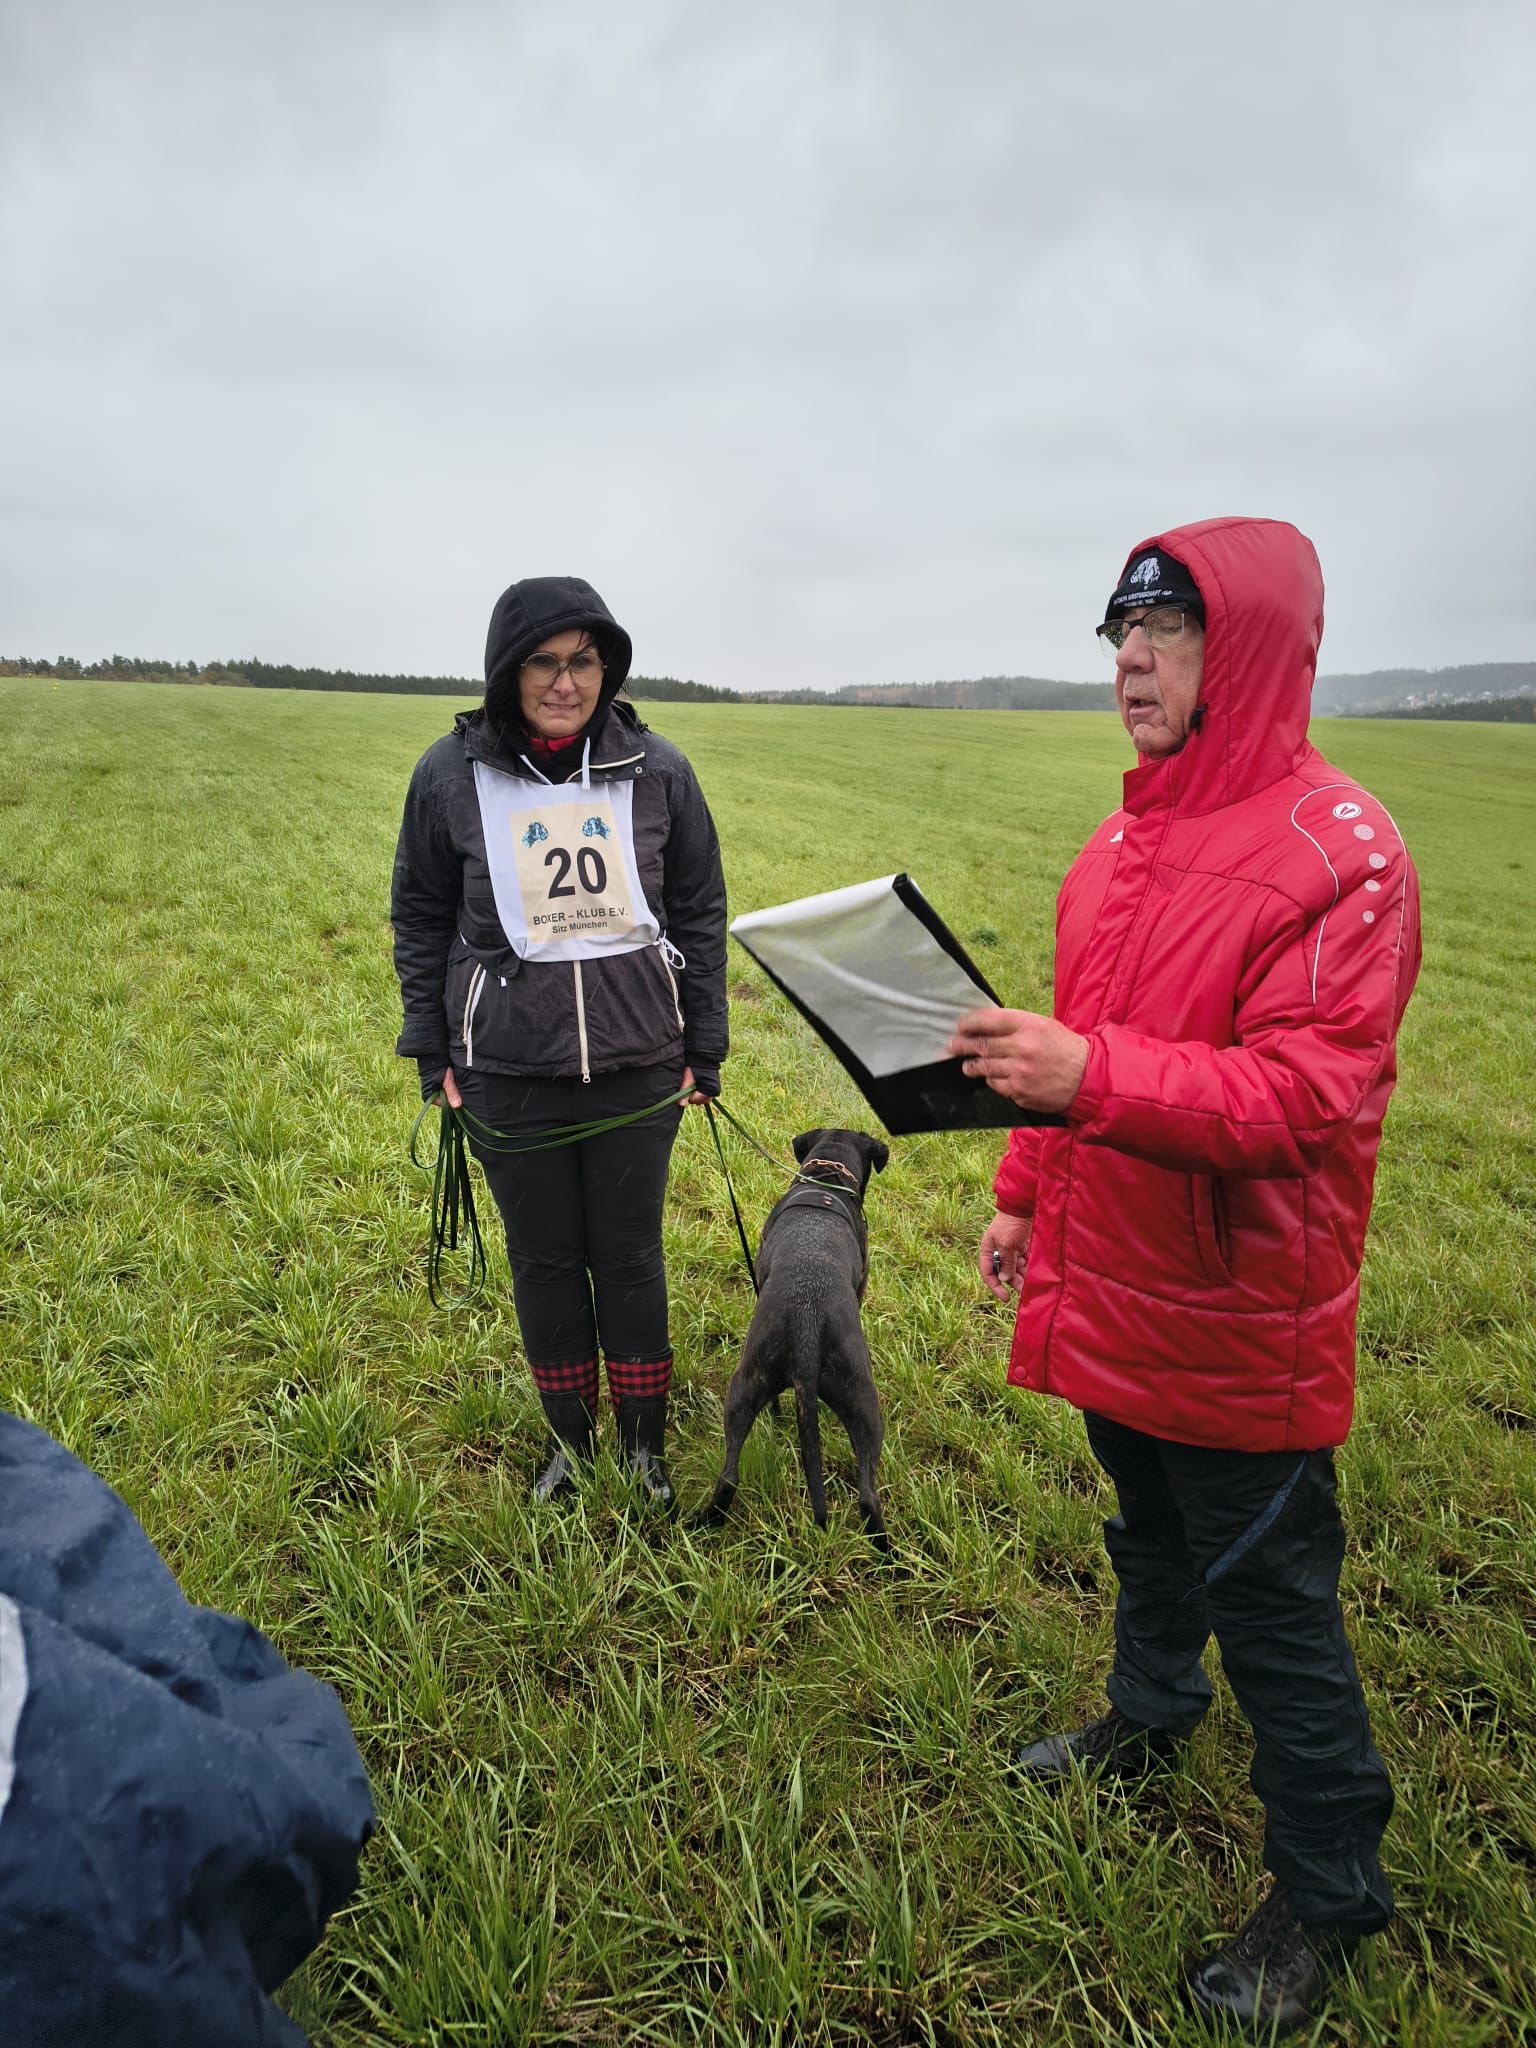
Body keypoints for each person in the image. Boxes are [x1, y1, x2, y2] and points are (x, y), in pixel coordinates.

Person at [948, 518, 1420, 2038]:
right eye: (1120, 633)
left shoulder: (1343, 854)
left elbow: (1307, 1099)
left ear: (1254, 650)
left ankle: (1331, 1888)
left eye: (1170, 631)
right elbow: (1074, 1042)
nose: (1132, 662)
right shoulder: (1117, 849)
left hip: (1235, 1317)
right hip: (1112, 1278)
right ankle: (1147, 1717)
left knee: (1274, 1608)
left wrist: (1084, 1076)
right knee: (1145, 1532)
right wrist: (1024, 1194)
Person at [391, 575, 727, 1509]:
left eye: (583, 661)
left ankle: (645, 1450)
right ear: (507, 671)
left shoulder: (659, 770)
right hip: (507, 1070)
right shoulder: (448, 776)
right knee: (542, 1261)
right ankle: (570, 1449)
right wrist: (432, 1051)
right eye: (543, 662)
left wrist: (705, 1044)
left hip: (637, 1063)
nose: (565, 682)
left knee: (630, 1258)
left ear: (607, 669)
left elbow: (699, 908)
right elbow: (419, 915)